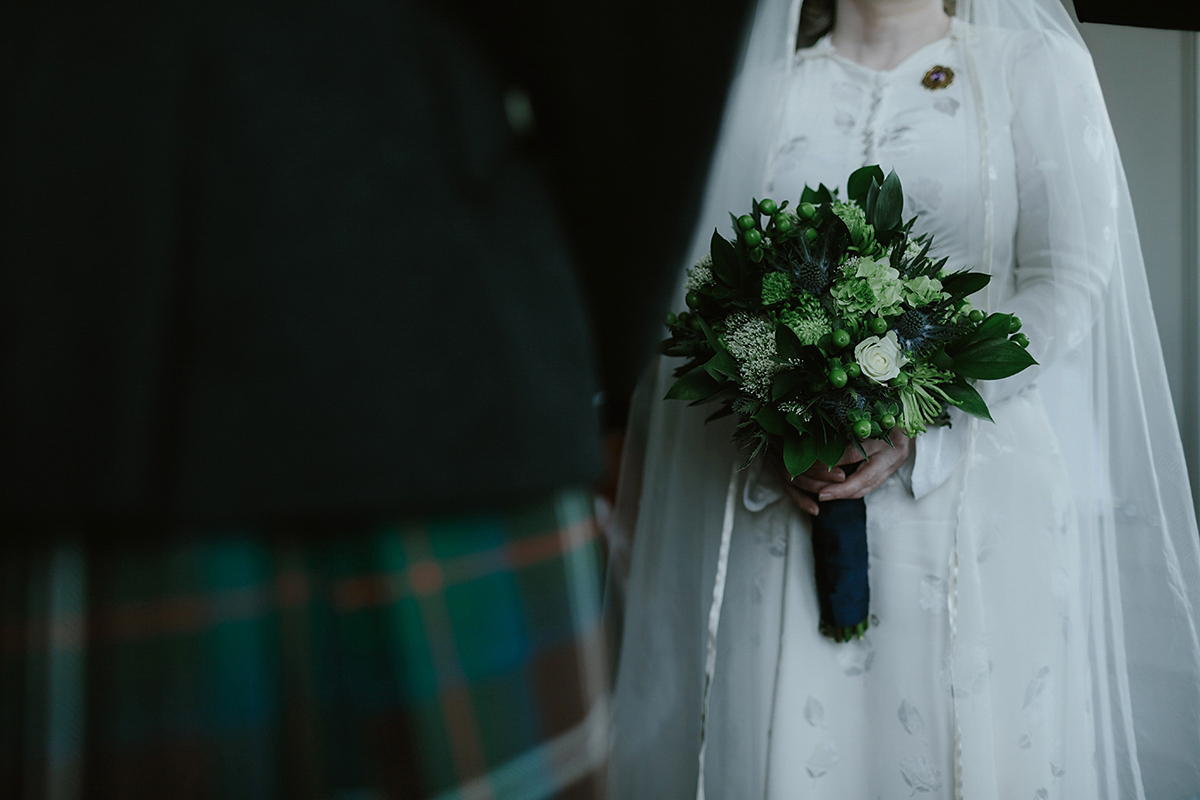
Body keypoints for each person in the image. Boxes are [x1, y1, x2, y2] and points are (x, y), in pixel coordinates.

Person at [607, 0, 1200, 797]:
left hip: (977, 496)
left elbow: (1068, 280)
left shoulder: (1032, 69)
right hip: (783, 497)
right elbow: (699, 292)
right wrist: (778, 405)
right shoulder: (762, 90)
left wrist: (916, 405)